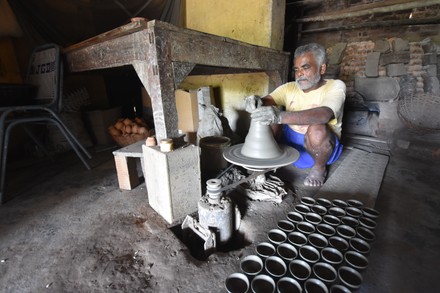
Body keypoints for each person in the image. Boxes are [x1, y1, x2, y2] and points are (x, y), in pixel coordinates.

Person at [245, 43, 346, 187]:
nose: (299, 74)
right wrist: (255, 100)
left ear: (322, 68)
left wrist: (279, 116)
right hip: (290, 142)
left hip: (320, 149)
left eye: (306, 68)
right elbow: (266, 100)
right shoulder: (290, 87)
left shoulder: (336, 86)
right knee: (267, 111)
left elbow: (324, 114)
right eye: (296, 69)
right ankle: (267, 157)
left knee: (318, 129)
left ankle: (319, 168)